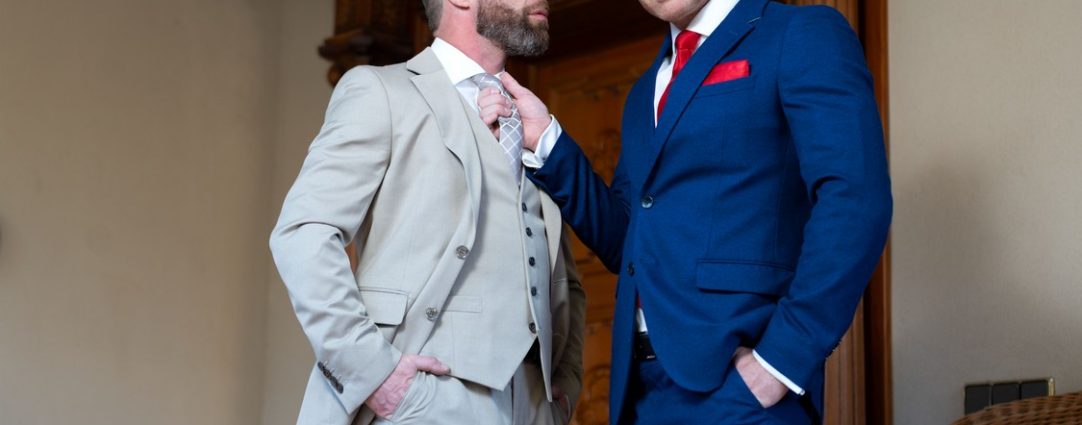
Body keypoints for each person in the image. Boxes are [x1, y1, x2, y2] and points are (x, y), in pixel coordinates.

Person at [480, 0, 893, 423]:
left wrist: (780, 362)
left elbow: (856, 200)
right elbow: (627, 243)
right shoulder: (645, 91)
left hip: (741, 389)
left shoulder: (800, 32)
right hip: (639, 392)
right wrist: (548, 142)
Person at [269, 0, 584, 424]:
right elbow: (304, 233)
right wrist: (375, 374)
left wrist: (565, 389)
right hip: (421, 399)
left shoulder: (533, 123)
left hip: (534, 404)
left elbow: (565, 278)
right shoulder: (381, 91)